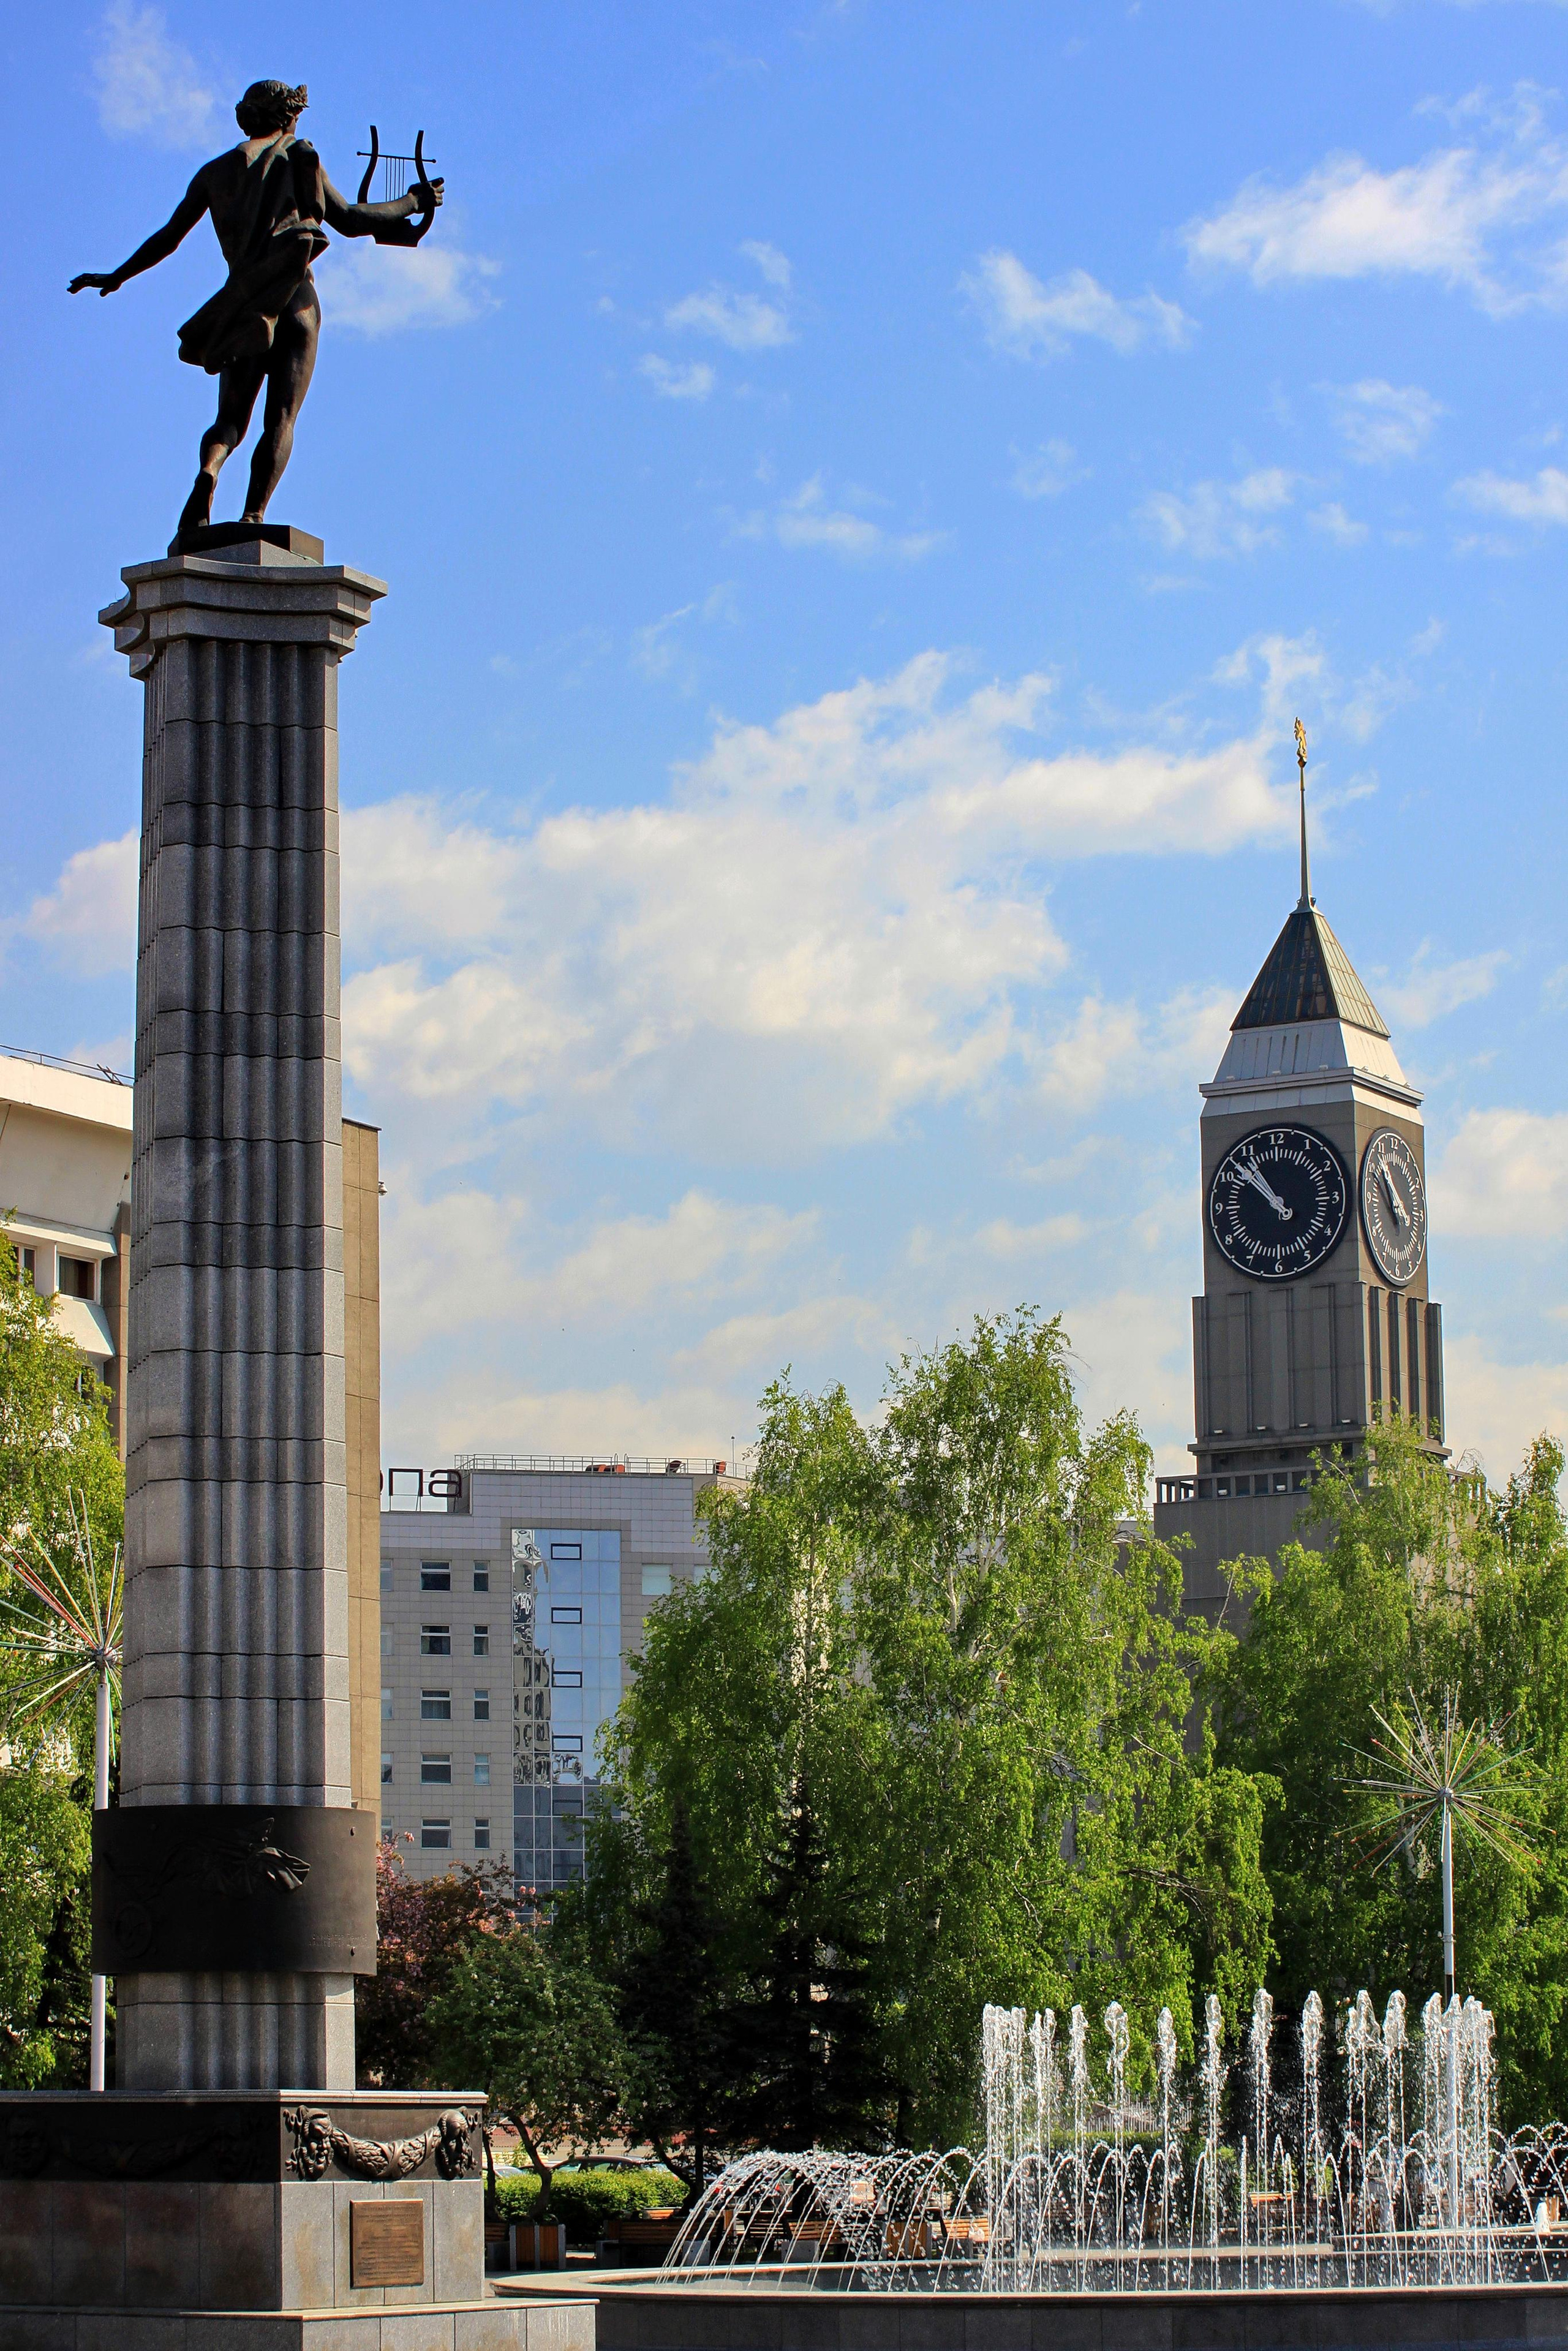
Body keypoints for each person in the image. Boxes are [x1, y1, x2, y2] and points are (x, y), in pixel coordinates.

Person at [69, 80, 444, 542]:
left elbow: (168, 238)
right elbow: (348, 219)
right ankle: (253, 516)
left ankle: (210, 469)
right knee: (281, 417)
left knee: (229, 421)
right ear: (288, 116)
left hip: (246, 303)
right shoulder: (300, 155)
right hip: (294, 300)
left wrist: (117, 275)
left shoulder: (215, 173)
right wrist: (414, 201)